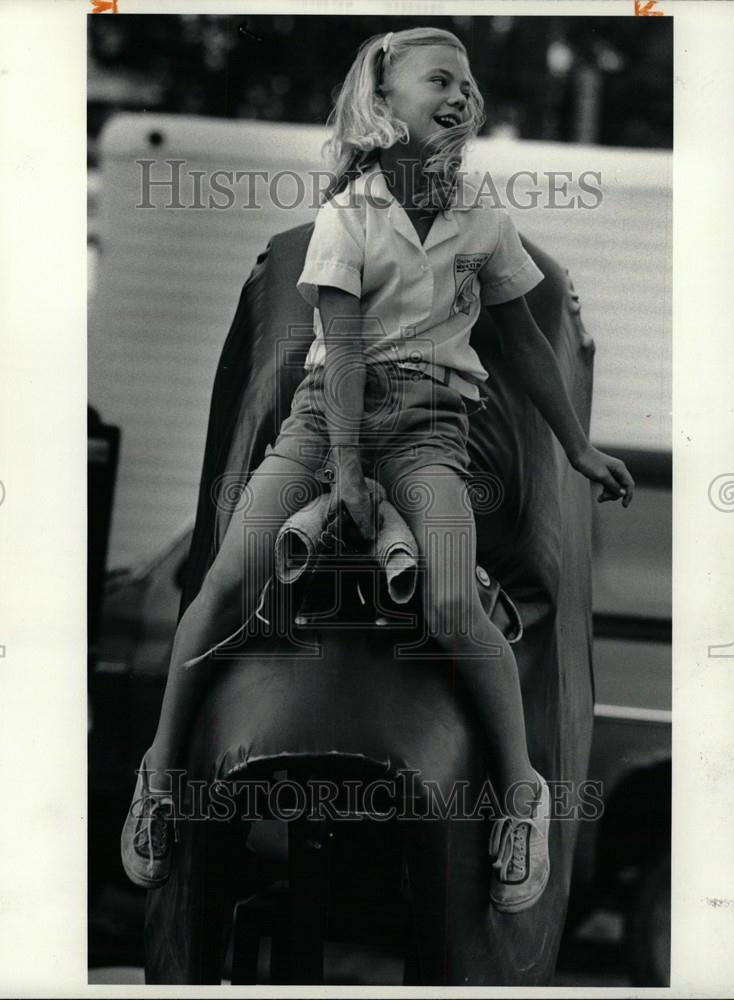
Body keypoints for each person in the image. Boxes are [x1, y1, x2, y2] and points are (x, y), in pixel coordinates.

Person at [121, 27, 634, 913]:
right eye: (442, 78)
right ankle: (163, 772)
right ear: (383, 101)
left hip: (434, 425)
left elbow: (519, 340)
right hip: (330, 419)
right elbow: (345, 350)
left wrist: (578, 447)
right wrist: (347, 475)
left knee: (446, 600)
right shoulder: (348, 215)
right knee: (228, 580)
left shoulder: (482, 219)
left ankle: (520, 794)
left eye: (471, 84)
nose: (463, 93)